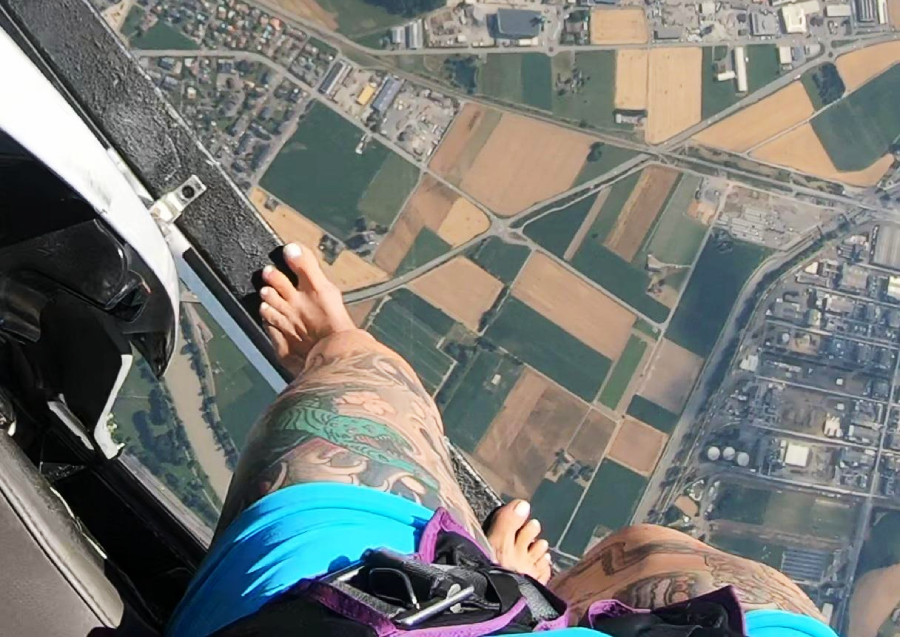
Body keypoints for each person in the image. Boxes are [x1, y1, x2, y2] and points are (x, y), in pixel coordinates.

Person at [169, 244, 833, 637]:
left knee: (376, 380)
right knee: (658, 556)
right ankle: (527, 600)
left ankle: (334, 352)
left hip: (350, 610)